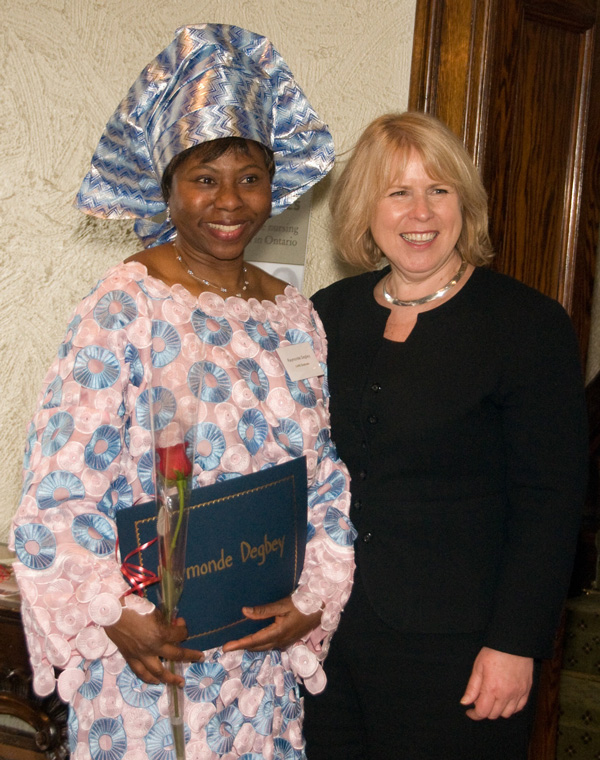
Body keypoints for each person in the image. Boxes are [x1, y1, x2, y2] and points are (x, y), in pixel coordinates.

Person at [10, 24, 355, 760]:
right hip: (151, 666)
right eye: (204, 177)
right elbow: (58, 490)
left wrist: (313, 598)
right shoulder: (127, 303)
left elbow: (322, 475)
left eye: (250, 177)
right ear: (166, 186)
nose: (229, 200)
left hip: (259, 668)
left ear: (275, 185)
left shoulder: (295, 316)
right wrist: (111, 613)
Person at [302, 111, 588, 760]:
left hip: (462, 647)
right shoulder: (327, 314)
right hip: (330, 639)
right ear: (364, 211)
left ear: (466, 202)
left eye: (439, 189)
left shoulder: (527, 325)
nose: (420, 212)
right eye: (397, 191)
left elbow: (551, 501)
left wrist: (516, 643)